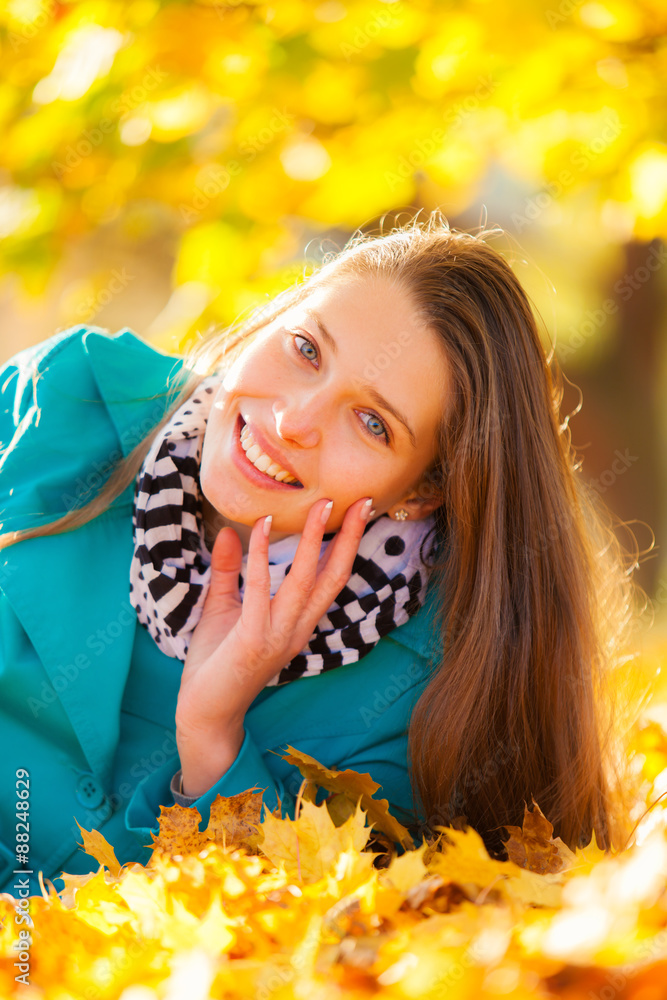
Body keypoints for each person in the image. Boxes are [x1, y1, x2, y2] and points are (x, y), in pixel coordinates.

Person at [0, 215, 642, 897]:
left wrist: (212, 740)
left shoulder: (431, 702)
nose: (293, 422)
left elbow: (307, 946)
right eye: (305, 348)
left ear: (419, 493)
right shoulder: (63, 408)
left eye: (371, 423)